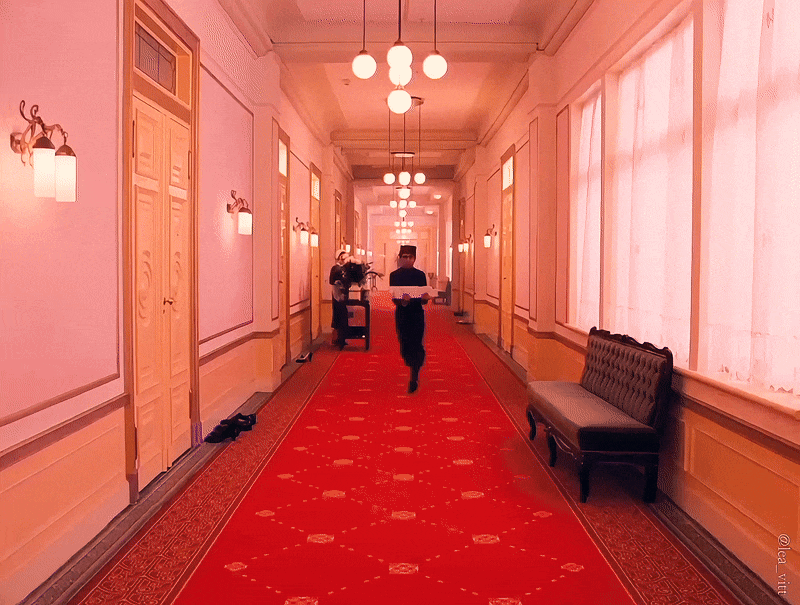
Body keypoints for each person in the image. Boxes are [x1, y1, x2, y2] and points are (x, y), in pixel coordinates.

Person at [389, 245, 430, 393]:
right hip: (402, 314)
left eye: (410, 257)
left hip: (417, 314)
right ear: (400, 258)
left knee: (417, 343)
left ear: (414, 259)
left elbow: (423, 299)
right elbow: (394, 298)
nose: (407, 259)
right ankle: (412, 362)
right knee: (404, 344)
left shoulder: (420, 275)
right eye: (404, 257)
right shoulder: (394, 275)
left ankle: (414, 375)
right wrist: (403, 301)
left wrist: (425, 298)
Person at [329, 249, 349, 349]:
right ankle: (338, 339)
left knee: (343, 317)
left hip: (343, 295)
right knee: (338, 317)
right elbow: (331, 280)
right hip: (337, 295)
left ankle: (342, 338)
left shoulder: (345, 268)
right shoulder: (335, 268)